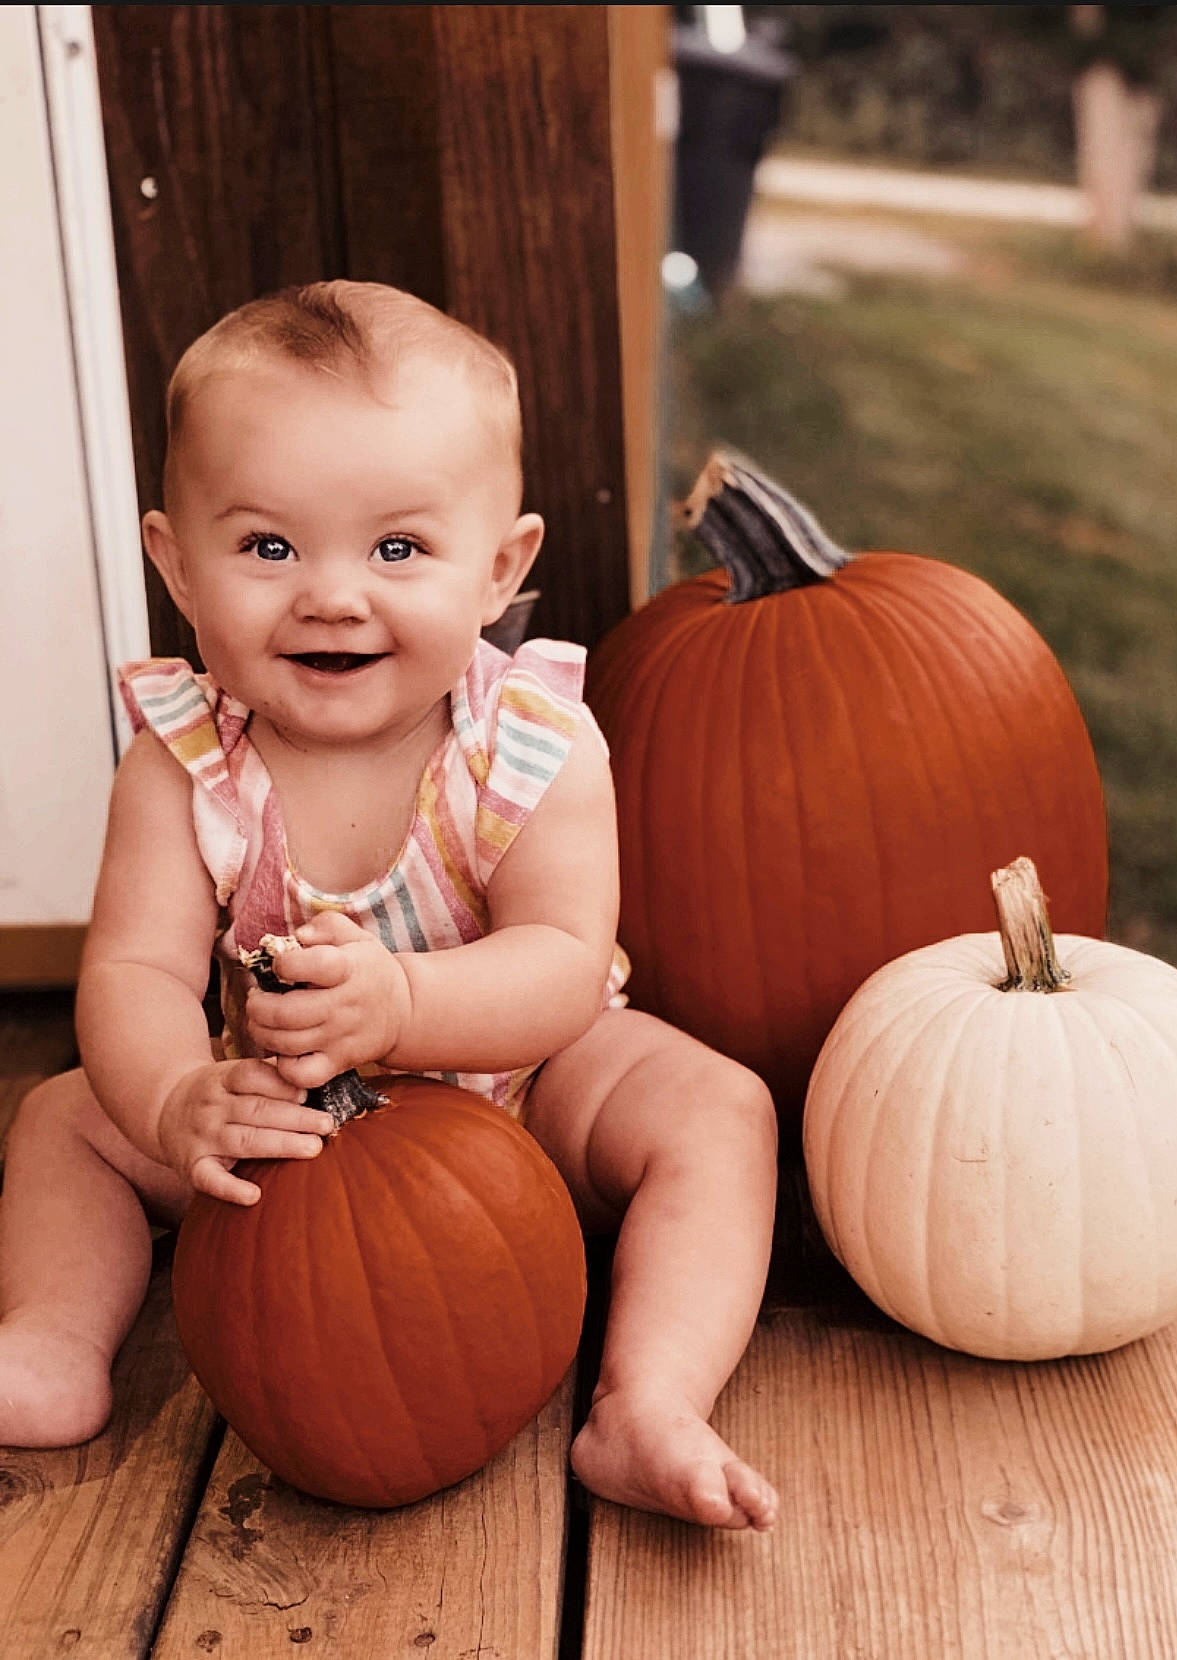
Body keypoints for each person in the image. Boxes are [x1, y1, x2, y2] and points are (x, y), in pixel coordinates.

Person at [0, 281, 779, 1530]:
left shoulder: (527, 744)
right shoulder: (184, 763)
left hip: (526, 1088)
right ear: (178, 564)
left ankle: (650, 1397)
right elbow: (136, 972)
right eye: (268, 547)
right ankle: (51, 1340)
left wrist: (404, 1001)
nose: (332, 594)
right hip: (281, 1120)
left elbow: (563, 962)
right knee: (65, 1119)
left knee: (718, 1110)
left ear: (499, 568)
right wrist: (178, 1097)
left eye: (398, 549)